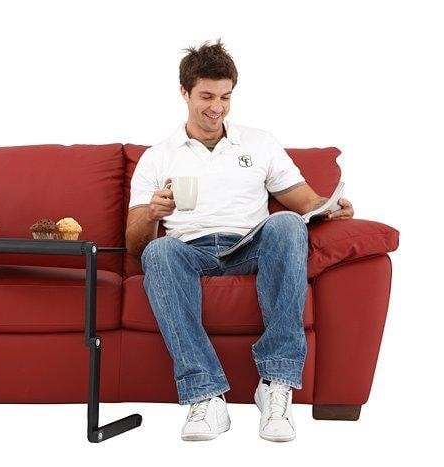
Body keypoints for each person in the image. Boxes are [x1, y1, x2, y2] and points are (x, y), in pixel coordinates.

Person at [125, 39, 354, 442]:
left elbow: (303, 200)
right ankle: (206, 395)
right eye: (206, 96)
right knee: (159, 251)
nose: (217, 107)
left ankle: (275, 383)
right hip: (190, 251)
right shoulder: (158, 157)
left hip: (249, 245)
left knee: (288, 223)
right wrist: (153, 213)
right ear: (184, 92)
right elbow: (135, 244)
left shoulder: (259, 142)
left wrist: (329, 207)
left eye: (225, 97)